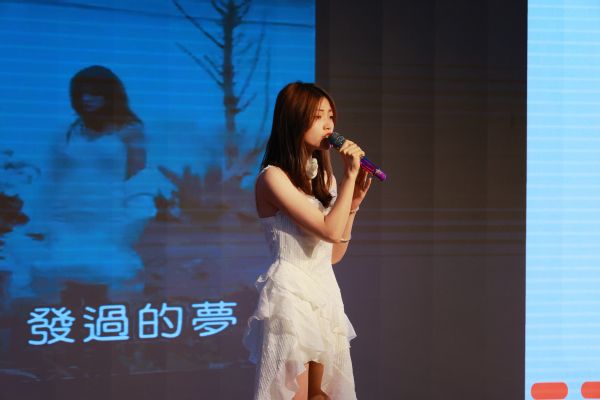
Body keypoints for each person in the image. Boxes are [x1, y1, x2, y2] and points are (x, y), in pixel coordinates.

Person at [244, 82, 372, 400]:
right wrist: (350, 177)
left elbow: (332, 254)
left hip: (324, 291)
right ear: (294, 120)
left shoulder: (324, 178)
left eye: (331, 115)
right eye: (318, 116)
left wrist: (353, 204)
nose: (329, 125)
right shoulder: (273, 177)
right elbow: (328, 230)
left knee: (323, 394)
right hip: (290, 293)